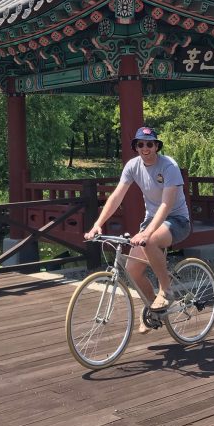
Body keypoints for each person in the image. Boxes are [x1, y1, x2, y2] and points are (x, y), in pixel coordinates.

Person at [84, 125, 191, 323]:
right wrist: (98, 224)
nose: (145, 148)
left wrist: (146, 233)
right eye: (140, 144)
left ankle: (166, 291)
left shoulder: (169, 166)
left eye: (150, 144)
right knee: (132, 270)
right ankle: (154, 310)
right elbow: (117, 196)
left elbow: (167, 204)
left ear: (157, 146)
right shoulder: (133, 166)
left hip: (177, 220)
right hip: (151, 221)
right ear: (135, 147)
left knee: (149, 241)